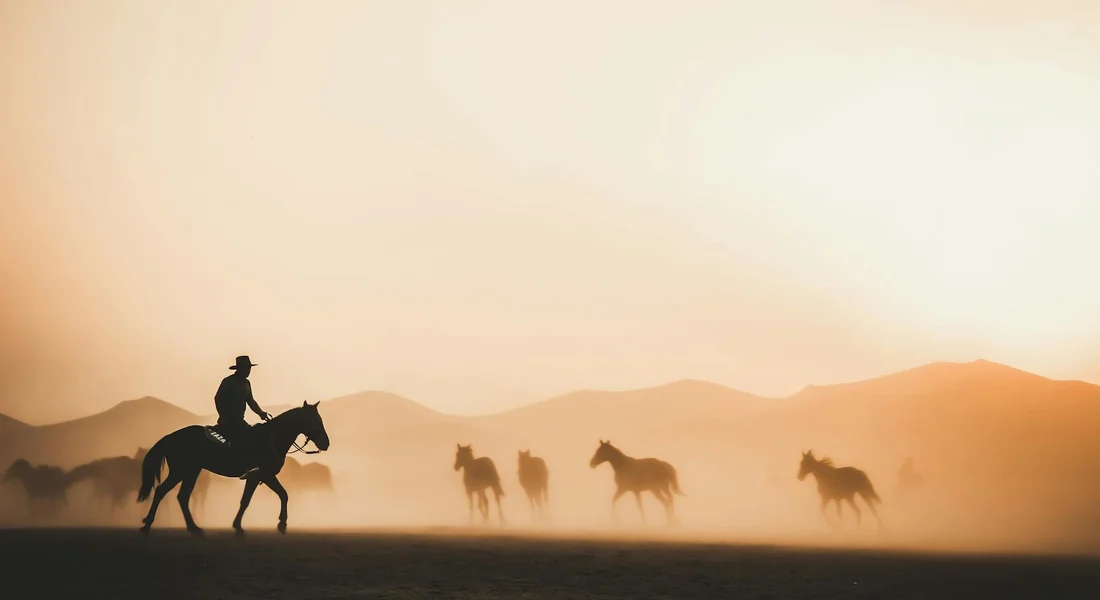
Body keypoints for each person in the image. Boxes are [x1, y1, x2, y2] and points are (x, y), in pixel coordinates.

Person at [214, 355, 272, 460]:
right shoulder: (228, 382)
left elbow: (250, 401)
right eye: (246, 368)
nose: (248, 371)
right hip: (229, 421)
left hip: (239, 420)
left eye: (249, 368)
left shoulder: (246, 383)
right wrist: (224, 416)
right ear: (240, 369)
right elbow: (218, 398)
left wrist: (261, 413)